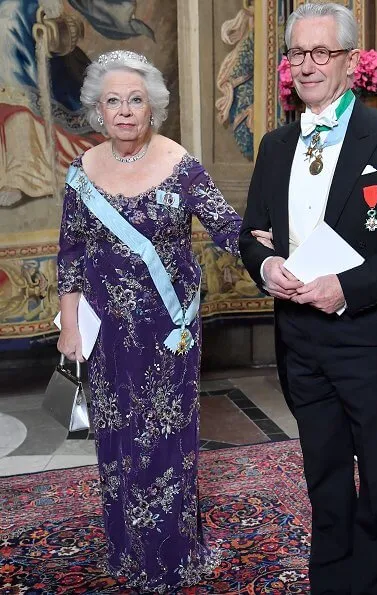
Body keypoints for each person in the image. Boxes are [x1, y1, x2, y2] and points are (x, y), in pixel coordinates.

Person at [56, 49, 244, 593]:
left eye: (135, 100)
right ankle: (127, 549)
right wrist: (70, 325)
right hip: (107, 334)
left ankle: (170, 556)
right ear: (97, 110)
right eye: (112, 101)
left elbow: (225, 225)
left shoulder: (180, 164)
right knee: (115, 440)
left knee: (165, 441)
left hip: (170, 333)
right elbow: (70, 252)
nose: (124, 111)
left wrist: (267, 248)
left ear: (152, 108)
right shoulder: (82, 171)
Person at [239, 3, 377, 595]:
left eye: (321, 52)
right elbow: (249, 231)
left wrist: (346, 289)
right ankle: (330, 580)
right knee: (324, 475)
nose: (307, 66)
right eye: (297, 53)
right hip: (299, 339)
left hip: (369, 335)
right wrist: (267, 264)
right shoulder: (276, 145)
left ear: (351, 61)